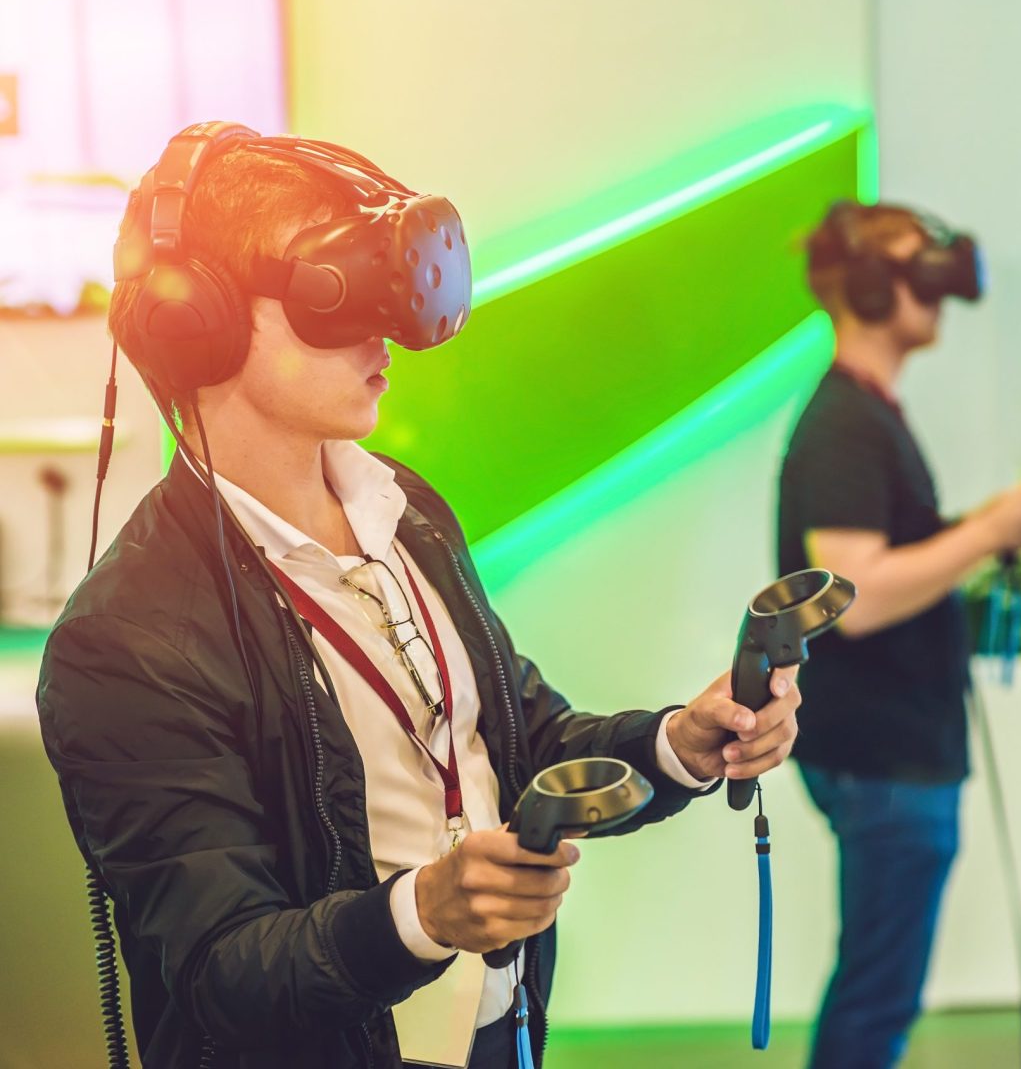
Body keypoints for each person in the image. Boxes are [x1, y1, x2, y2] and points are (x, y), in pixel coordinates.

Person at [36, 123, 801, 1069]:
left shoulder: (406, 512)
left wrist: (679, 741)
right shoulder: (128, 639)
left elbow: (512, 742)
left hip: (495, 1033)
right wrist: (420, 916)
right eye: (334, 296)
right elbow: (219, 974)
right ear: (202, 320)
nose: (385, 331)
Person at [778, 200, 1021, 1069]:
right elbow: (854, 597)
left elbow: (891, 555)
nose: (937, 287)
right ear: (867, 286)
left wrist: (984, 526)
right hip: (883, 760)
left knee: (879, 989)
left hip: (899, 753)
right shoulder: (842, 427)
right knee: (878, 998)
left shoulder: (869, 413)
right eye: (915, 266)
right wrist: (986, 533)